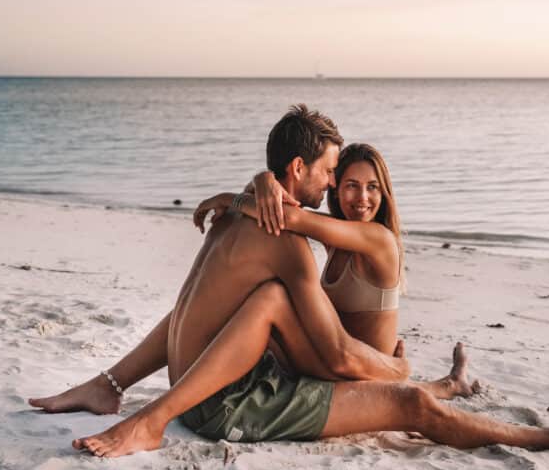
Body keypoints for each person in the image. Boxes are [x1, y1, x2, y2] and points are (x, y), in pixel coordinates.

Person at [29, 105, 549, 457]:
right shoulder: (287, 245)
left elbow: (292, 227)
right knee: (410, 399)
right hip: (226, 402)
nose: (339, 183)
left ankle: (114, 387)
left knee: (266, 302)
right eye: (331, 172)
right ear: (301, 170)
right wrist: (395, 370)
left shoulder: (245, 219)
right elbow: (341, 357)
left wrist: (253, 186)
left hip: (209, 375)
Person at [192, 141, 479, 399]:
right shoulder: (337, 239)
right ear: (336, 188)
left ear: (384, 193)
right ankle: (449, 383)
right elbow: (285, 212)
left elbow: (287, 216)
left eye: (373, 187)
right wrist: (263, 179)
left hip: (365, 374)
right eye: (352, 185)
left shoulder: (378, 239)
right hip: (339, 365)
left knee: (271, 300)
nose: (362, 197)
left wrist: (229, 199)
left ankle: (450, 384)